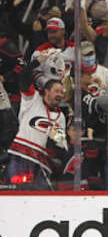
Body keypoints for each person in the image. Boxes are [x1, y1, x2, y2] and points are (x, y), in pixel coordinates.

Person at [7, 52, 67, 189]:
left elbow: (59, 143)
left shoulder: (60, 117)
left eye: (62, 92)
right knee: (16, 196)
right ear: (46, 91)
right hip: (20, 156)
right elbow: (23, 76)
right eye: (56, 91)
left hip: (41, 162)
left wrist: (55, 144)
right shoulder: (32, 100)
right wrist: (36, 62)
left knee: (42, 198)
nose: (60, 95)